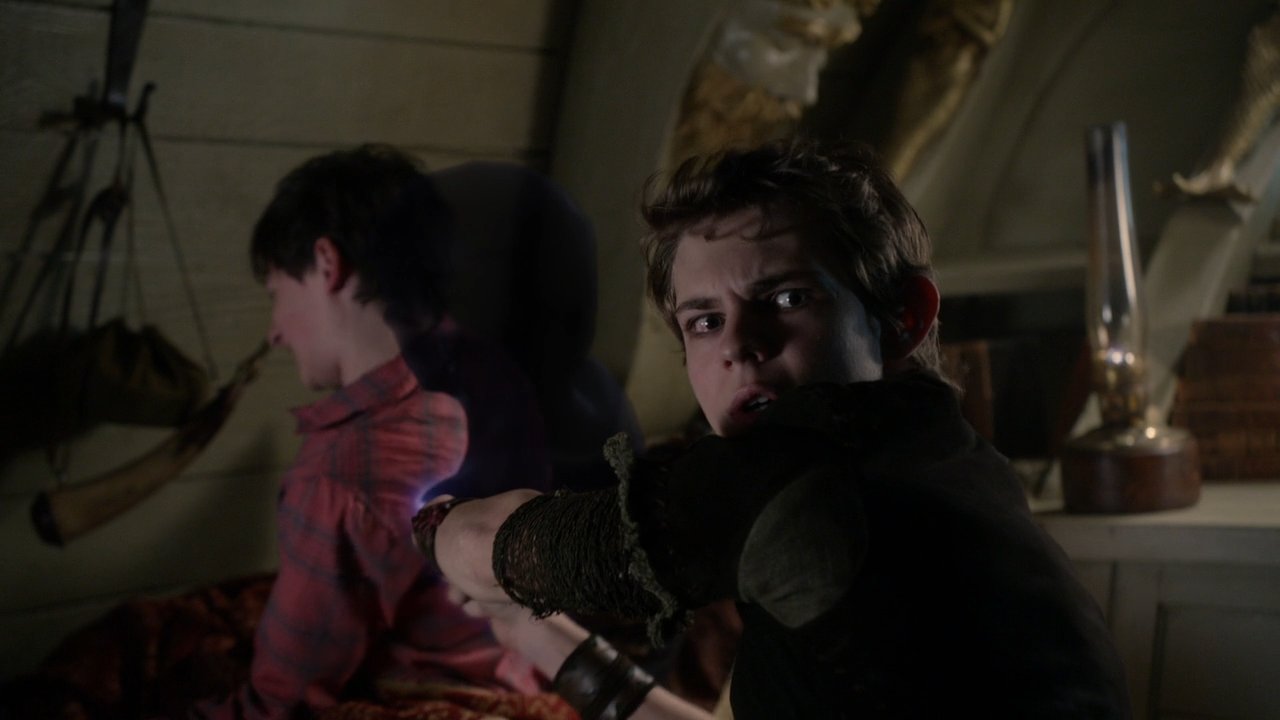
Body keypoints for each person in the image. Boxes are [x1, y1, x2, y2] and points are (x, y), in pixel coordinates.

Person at [412, 139, 1133, 719]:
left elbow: (493, 545)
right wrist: (528, 631)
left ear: (903, 317)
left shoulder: (802, 465)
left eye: (786, 298)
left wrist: (431, 528)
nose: (739, 345)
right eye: (704, 321)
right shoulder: (957, 463)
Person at [196, 144, 556, 717]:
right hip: (522, 678)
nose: (275, 332)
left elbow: (283, 703)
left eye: (277, 295)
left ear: (326, 264)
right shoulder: (497, 378)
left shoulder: (343, 473)